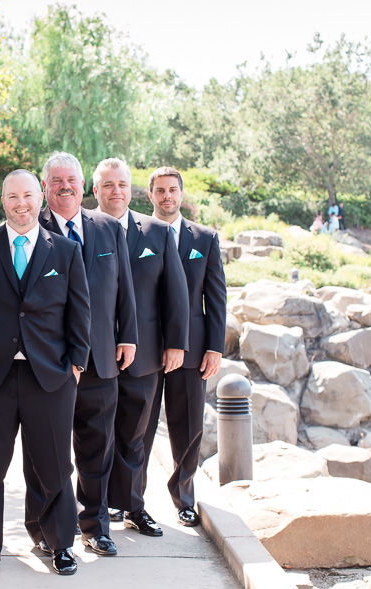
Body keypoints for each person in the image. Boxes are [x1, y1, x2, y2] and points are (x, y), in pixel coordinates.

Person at [0, 169, 90, 576]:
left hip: (49, 378)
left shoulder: (64, 251)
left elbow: (80, 314)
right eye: (13, 197)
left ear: (39, 197)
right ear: (2, 200)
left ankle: (61, 545)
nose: (21, 204)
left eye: (28, 195)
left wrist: (76, 366)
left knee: (55, 467)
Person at [30, 151, 138, 557]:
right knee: (46, 451)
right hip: (49, 362)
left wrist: (127, 335)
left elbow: (124, 287)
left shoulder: (108, 228)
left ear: (82, 184)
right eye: (56, 180)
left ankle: (95, 524)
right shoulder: (30, 227)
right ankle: (44, 529)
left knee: (98, 448)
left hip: (101, 358)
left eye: (71, 179)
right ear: (45, 186)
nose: (65, 186)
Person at [91, 158, 190, 535]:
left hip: (146, 353)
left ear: (132, 189)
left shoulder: (157, 232)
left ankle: (132, 506)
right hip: (95, 353)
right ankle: (95, 509)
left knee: (136, 438)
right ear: (95, 189)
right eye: (108, 184)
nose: (116, 191)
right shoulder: (83, 229)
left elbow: (175, 294)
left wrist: (176, 344)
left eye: (122, 184)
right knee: (95, 436)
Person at [143, 166, 226, 528]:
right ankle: (130, 500)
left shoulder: (205, 238)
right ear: (151, 196)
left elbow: (216, 296)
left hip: (193, 349)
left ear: (181, 193)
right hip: (145, 347)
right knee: (137, 429)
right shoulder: (135, 233)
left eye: (172, 190)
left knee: (189, 426)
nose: (167, 197)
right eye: (160, 191)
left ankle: (184, 497)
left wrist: (215, 347)